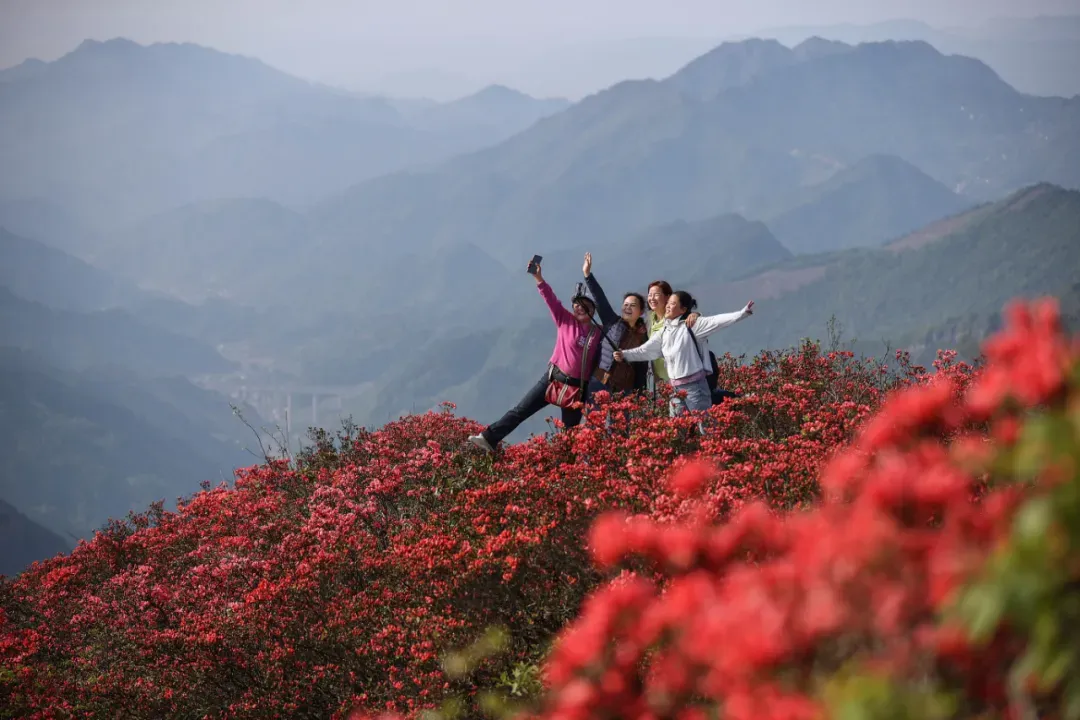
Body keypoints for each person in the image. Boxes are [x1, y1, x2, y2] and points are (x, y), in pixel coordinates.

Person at [468, 257, 604, 453]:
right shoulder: (565, 320)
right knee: (521, 410)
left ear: (593, 310)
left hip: (576, 389)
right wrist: (538, 278)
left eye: (585, 306)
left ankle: (569, 471)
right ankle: (489, 438)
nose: (580, 308)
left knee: (570, 435)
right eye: (577, 305)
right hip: (552, 379)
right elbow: (551, 300)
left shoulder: (598, 333)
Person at [615, 291, 753, 417]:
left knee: (705, 427)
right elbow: (645, 350)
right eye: (668, 303)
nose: (668, 306)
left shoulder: (693, 326)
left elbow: (717, 321)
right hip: (675, 389)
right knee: (677, 431)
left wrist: (742, 313)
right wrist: (624, 354)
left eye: (673, 303)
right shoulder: (663, 331)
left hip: (696, 388)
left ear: (683, 309)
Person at [581, 253, 649, 397]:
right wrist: (588, 275)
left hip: (624, 390)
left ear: (641, 311)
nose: (627, 308)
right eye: (625, 305)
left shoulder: (643, 336)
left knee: (619, 420)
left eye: (632, 305)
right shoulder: (612, 321)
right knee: (595, 419)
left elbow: (642, 369)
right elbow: (600, 299)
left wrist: (640, 396)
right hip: (598, 383)